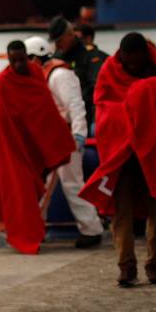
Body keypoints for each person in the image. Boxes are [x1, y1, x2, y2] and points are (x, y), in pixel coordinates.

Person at [81, 33, 156, 287]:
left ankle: (155, 263)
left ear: (143, 55)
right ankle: (127, 267)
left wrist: (142, 95)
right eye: (127, 60)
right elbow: (103, 107)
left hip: (151, 152)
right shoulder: (109, 71)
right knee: (120, 212)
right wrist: (131, 115)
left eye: (135, 60)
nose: (130, 64)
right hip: (120, 157)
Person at [0, 41, 76, 255]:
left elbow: (44, 109)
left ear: (28, 57)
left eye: (21, 59)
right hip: (15, 147)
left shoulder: (35, 72)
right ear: (8, 60)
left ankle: (36, 233)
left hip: (36, 142)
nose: (18, 64)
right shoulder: (4, 83)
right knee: (21, 193)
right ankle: (28, 238)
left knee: (35, 192)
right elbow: (6, 121)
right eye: (13, 61)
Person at [24, 36, 104, 248]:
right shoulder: (44, 74)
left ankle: (91, 229)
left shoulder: (59, 75)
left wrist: (79, 134)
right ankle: (35, 229)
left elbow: (76, 106)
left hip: (66, 138)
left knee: (71, 184)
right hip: (52, 139)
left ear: (35, 57)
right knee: (45, 186)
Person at [48, 16, 100, 129]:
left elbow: (98, 89)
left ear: (70, 34)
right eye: (55, 42)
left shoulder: (90, 56)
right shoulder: (55, 58)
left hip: (86, 117)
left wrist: (96, 120)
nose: (57, 45)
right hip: (62, 121)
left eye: (59, 41)